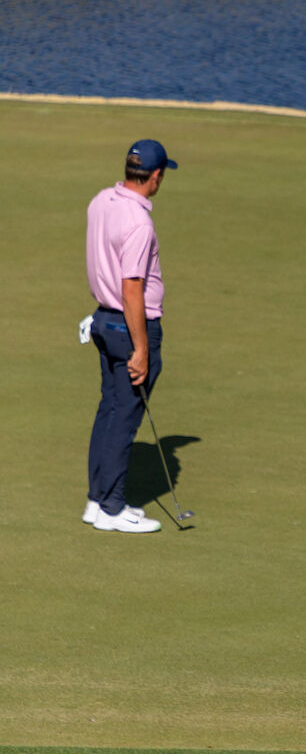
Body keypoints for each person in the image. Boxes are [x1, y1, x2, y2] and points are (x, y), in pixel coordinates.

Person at [82, 139, 178, 533]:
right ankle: (112, 508)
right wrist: (141, 348)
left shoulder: (102, 200)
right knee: (124, 418)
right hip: (128, 325)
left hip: (104, 320)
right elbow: (132, 287)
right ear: (155, 177)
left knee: (109, 411)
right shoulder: (139, 223)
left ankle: (98, 501)